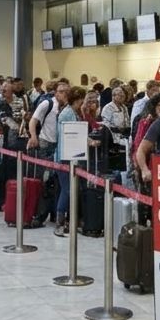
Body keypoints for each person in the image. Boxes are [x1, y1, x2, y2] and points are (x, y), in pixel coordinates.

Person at [53, 85, 88, 236]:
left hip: (73, 158)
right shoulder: (67, 114)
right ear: (79, 99)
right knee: (67, 191)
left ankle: (69, 220)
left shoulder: (75, 112)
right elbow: (69, 136)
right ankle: (59, 223)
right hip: (64, 158)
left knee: (72, 190)